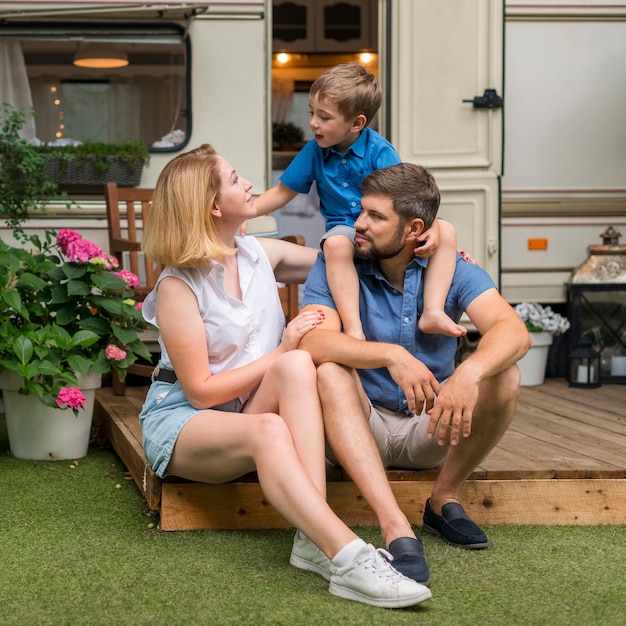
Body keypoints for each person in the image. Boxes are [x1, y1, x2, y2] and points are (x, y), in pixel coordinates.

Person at [138, 144, 432, 609]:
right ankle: (348, 556)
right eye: (235, 179)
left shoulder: (258, 255)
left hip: (245, 409)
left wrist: (437, 247)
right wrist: (281, 349)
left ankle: (309, 541)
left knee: (298, 366)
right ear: (214, 206)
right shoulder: (179, 285)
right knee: (275, 410)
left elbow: (349, 256)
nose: (249, 183)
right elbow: (200, 391)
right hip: (186, 420)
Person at [299, 162, 531, 585]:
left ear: (414, 229)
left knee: (505, 374)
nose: (358, 225)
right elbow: (312, 343)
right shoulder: (336, 261)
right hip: (357, 423)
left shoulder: (454, 269)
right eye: (361, 211)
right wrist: (388, 354)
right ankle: (396, 528)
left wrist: (468, 374)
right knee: (328, 371)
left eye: (375, 217)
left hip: (431, 425)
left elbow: (514, 331)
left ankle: (442, 501)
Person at [255, 62, 464, 340]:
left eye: (324, 117)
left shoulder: (380, 152)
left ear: (356, 123)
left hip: (383, 232)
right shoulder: (314, 150)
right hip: (348, 232)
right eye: (312, 113)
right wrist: (246, 213)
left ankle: (433, 311)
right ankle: (354, 329)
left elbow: (404, 198)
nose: (313, 123)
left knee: (447, 230)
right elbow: (282, 192)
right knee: (336, 244)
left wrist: (433, 230)